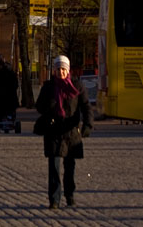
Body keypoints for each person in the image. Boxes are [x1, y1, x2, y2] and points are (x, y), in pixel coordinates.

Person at [36, 54, 93, 210]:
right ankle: (54, 199)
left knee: (70, 166)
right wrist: (50, 104)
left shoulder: (77, 86)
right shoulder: (49, 87)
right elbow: (39, 107)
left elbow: (86, 106)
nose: (60, 72)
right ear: (54, 70)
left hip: (70, 131)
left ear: (67, 70)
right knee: (53, 166)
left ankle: (70, 195)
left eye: (63, 69)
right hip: (53, 130)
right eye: (58, 69)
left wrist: (88, 124)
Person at [0, 55, 19, 123]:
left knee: (7, 105)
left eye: (0, 65)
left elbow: (14, 83)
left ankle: (7, 117)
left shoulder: (7, 72)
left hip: (5, 96)